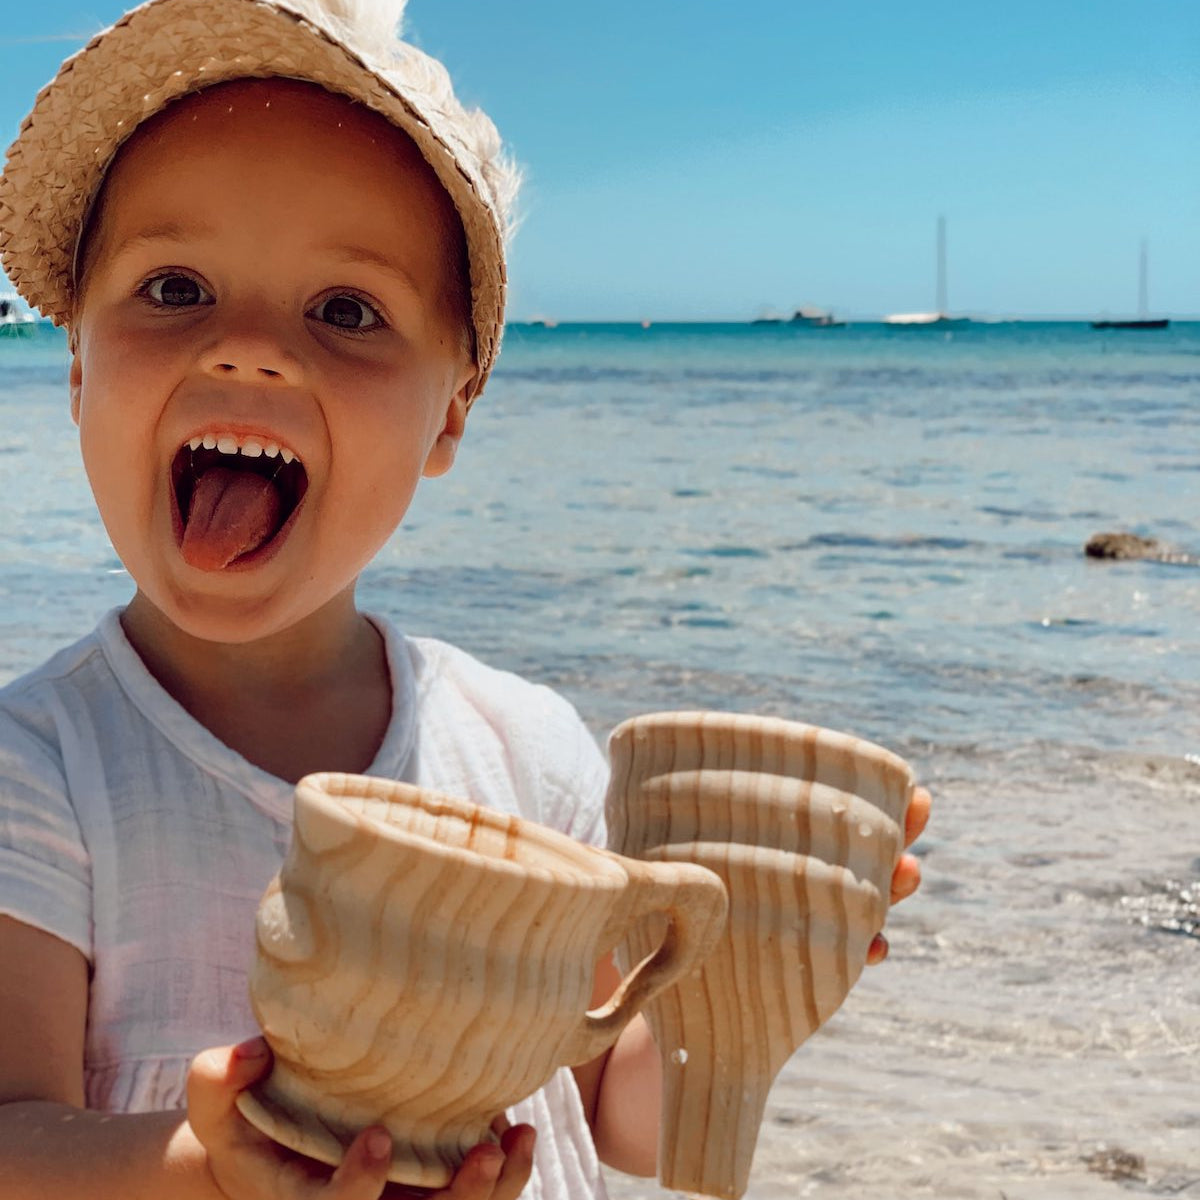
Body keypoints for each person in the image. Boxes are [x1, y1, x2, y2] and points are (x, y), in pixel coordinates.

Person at [0, 2, 931, 1198]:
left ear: (450, 411)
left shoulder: (524, 754)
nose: (249, 350)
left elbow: (619, 1115)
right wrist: (201, 1167)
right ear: (77, 362)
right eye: (174, 286)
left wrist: (758, 980)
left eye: (346, 311)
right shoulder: (43, 770)